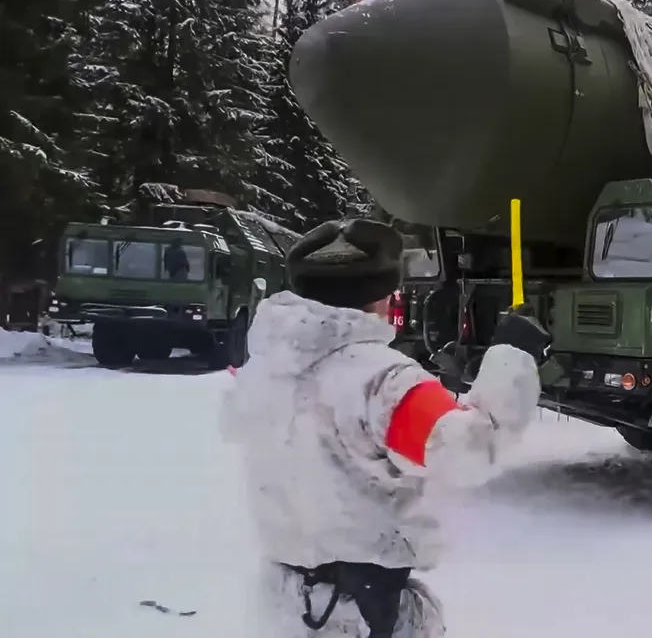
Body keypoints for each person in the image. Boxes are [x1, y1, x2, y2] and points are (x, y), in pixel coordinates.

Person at [220, 218, 550, 638]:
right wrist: (512, 355)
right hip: (359, 613)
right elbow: (468, 451)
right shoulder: (384, 381)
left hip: (286, 603)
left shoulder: (265, 368)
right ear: (381, 296)